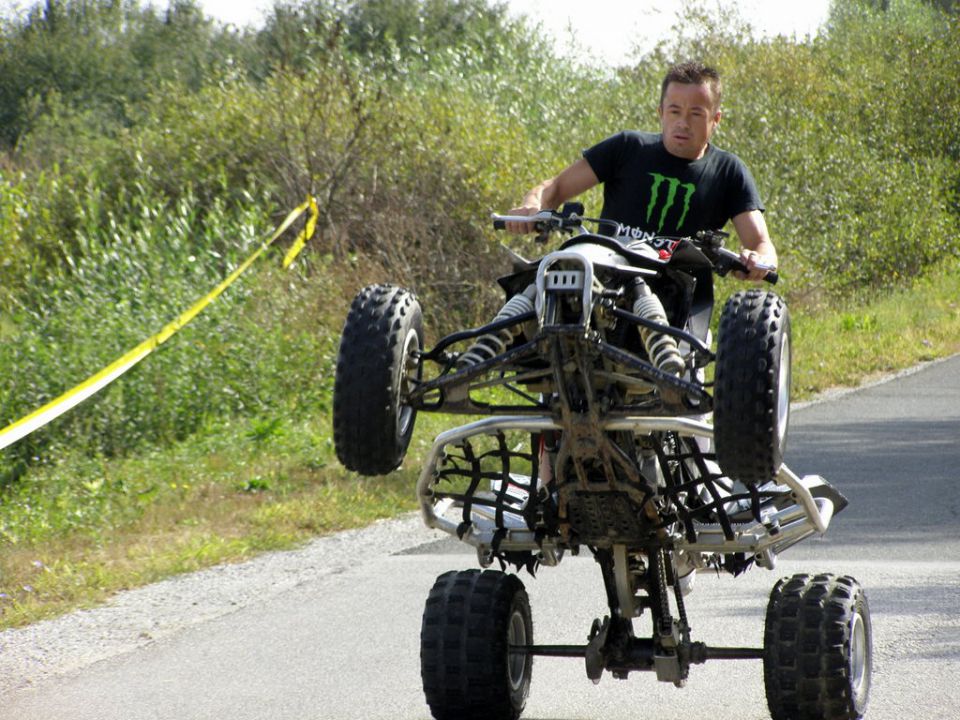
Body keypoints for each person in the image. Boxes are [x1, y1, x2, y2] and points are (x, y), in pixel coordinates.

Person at [503, 60, 778, 283]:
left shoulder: (729, 171)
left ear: (715, 119)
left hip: (680, 300)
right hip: (604, 277)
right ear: (660, 112)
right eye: (674, 111)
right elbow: (553, 190)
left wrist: (758, 262)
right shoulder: (627, 147)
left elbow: (762, 245)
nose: (682, 123)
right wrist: (531, 207)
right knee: (537, 287)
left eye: (695, 114)